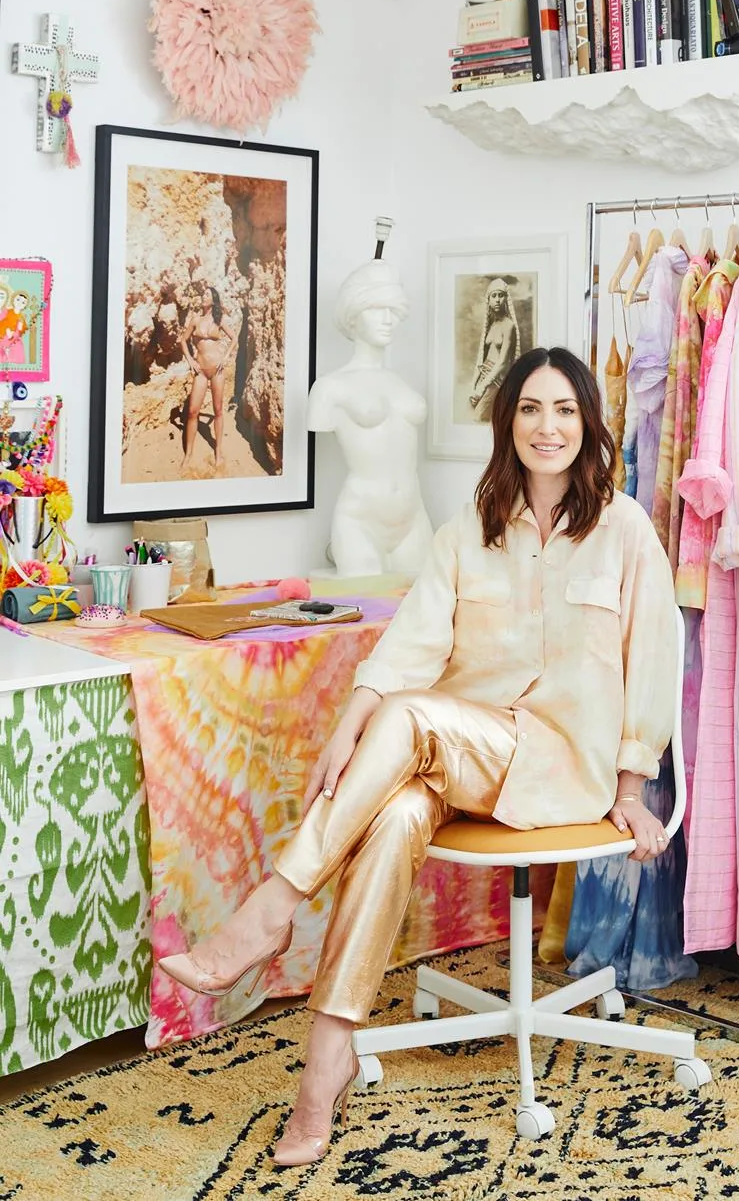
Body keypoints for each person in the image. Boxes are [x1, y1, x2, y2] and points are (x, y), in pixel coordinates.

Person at [159, 345, 677, 1169]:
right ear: (508, 421)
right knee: (397, 810)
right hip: (460, 751)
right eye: (532, 409)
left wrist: (631, 784)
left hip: (558, 766)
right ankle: (324, 1070)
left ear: (589, 422)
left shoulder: (625, 529)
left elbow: (653, 661)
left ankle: (269, 911)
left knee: (405, 722)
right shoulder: (465, 531)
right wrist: (349, 722)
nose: (549, 427)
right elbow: (411, 645)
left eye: (566, 410)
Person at [307, 248, 433, 574]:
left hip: (413, 517)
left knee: (424, 616)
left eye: (393, 309)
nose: (388, 319)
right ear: (353, 314)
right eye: (377, 308)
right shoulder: (330, 388)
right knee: (367, 614)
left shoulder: (402, 383)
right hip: (360, 520)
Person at [178, 278, 237, 473]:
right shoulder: (195, 320)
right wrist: (190, 361)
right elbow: (183, 340)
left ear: (213, 300)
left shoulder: (219, 320)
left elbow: (234, 338)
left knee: (218, 411)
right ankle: (188, 454)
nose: (203, 297)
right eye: (203, 295)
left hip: (217, 371)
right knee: (193, 411)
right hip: (201, 372)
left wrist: (226, 358)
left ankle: (218, 452)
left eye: (207, 295)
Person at [469, 275, 520, 422]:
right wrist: (473, 385)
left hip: (497, 381)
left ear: (505, 299)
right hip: (484, 377)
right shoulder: (492, 324)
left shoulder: (508, 326)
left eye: (501, 295)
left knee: (478, 418)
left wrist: (481, 388)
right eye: (494, 296)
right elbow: (482, 358)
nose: (497, 299)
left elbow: (503, 362)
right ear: (489, 300)